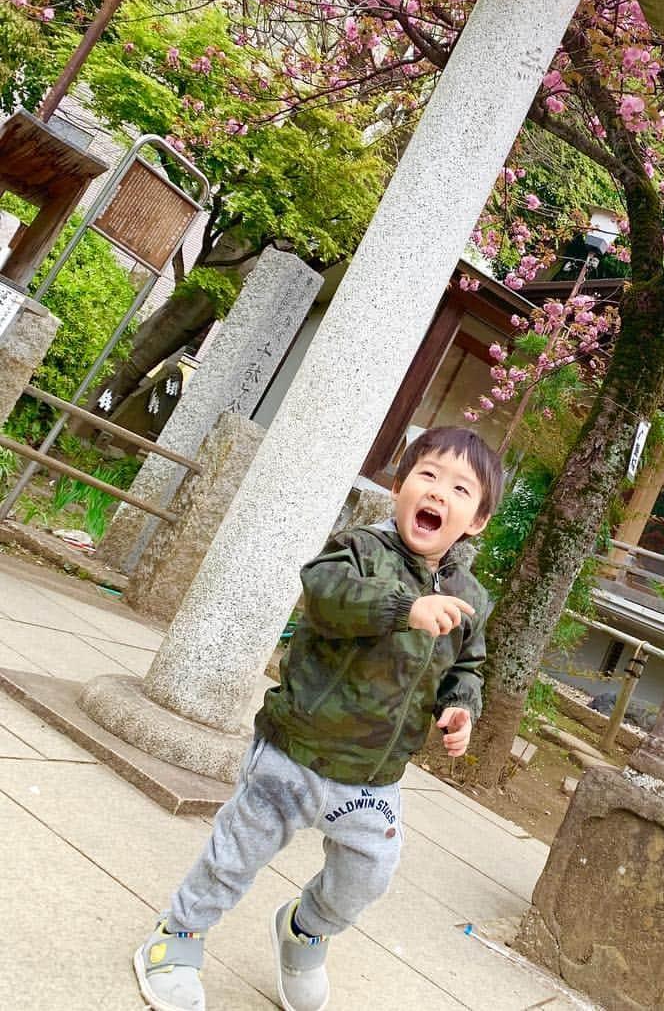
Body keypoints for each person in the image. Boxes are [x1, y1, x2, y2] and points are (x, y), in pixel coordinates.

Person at [133, 425, 504, 1011]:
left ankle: (304, 932)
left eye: (460, 489)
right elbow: (324, 594)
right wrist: (405, 608)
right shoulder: (358, 550)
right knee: (238, 852)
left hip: (374, 778)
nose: (438, 492)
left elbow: (467, 666)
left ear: (476, 520)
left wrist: (460, 706)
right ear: (401, 483)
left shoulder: (471, 600)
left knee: (368, 872)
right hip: (297, 750)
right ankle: (176, 936)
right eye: (428, 475)